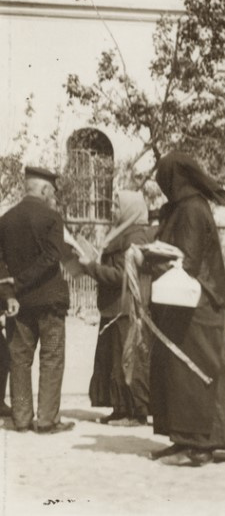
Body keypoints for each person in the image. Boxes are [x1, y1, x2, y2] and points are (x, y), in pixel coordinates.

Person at [146, 152, 225, 466]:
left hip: (196, 305)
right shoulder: (182, 208)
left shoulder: (192, 210)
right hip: (188, 305)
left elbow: (188, 260)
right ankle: (183, 437)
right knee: (191, 372)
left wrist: (147, 257)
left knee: (192, 373)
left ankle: (198, 445)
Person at [0, 166, 72, 434]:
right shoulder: (52, 217)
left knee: (19, 360)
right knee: (51, 358)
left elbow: (0, 264)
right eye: (51, 191)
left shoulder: (5, 220)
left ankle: (21, 418)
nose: (52, 196)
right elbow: (53, 256)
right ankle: (46, 420)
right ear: (43, 189)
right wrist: (20, 282)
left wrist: (11, 291)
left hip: (17, 306)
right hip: (50, 305)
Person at [82, 190, 153, 426]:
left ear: (129, 209)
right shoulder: (122, 234)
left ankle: (136, 412)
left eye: (116, 205)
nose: (112, 209)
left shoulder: (135, 237)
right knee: (114, 360)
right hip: (115, 307)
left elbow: (124, 276)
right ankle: (121, 409)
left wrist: (92, 268)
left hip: (126, 308)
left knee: (128, 359)